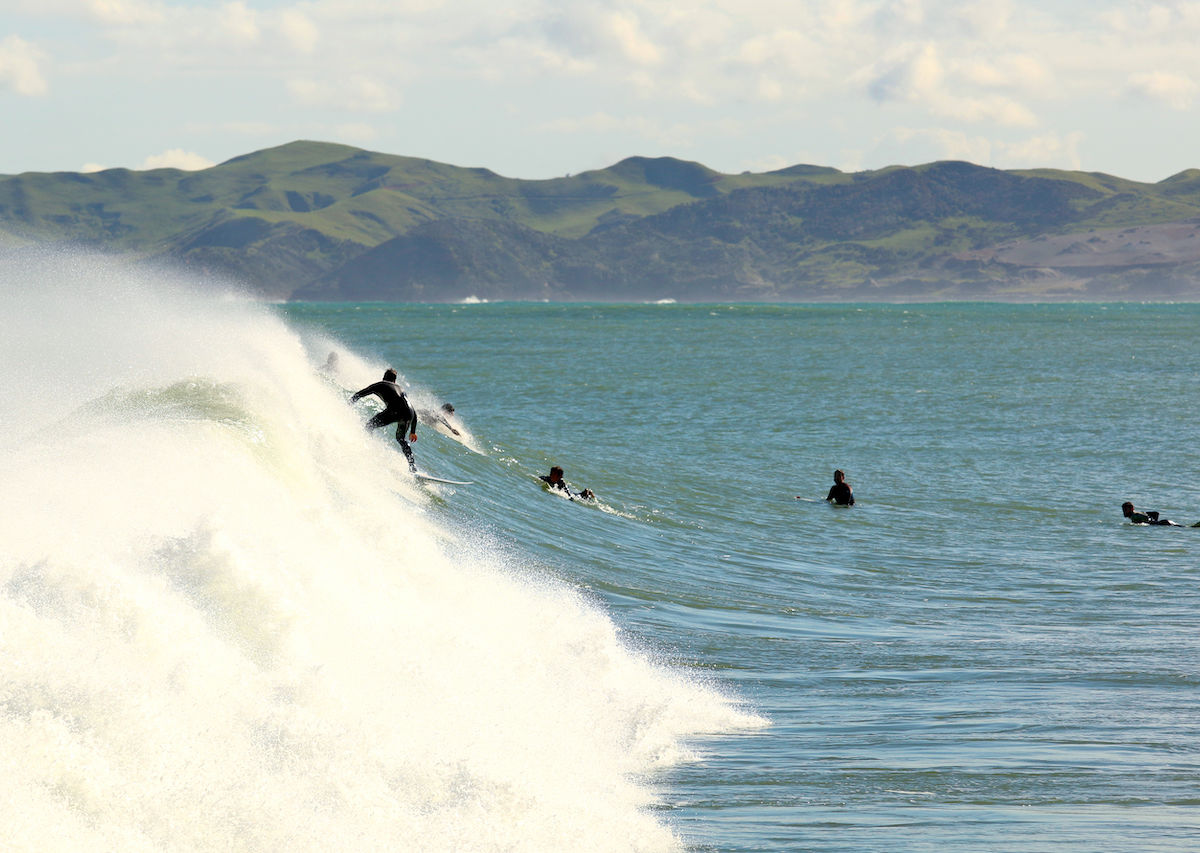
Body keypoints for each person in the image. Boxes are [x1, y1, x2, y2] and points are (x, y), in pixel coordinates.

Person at [350, 368, 418, 472]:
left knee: (369, 426)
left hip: (396, 411)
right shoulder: (401, 388)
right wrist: (413, 431)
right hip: (410, 414)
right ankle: (412, 466)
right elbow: (414, 412)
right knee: (401, 439)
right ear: (395, 381)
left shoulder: (380, 385)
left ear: (383, 378)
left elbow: (359, 394)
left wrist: (348, 404)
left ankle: (368, 450)